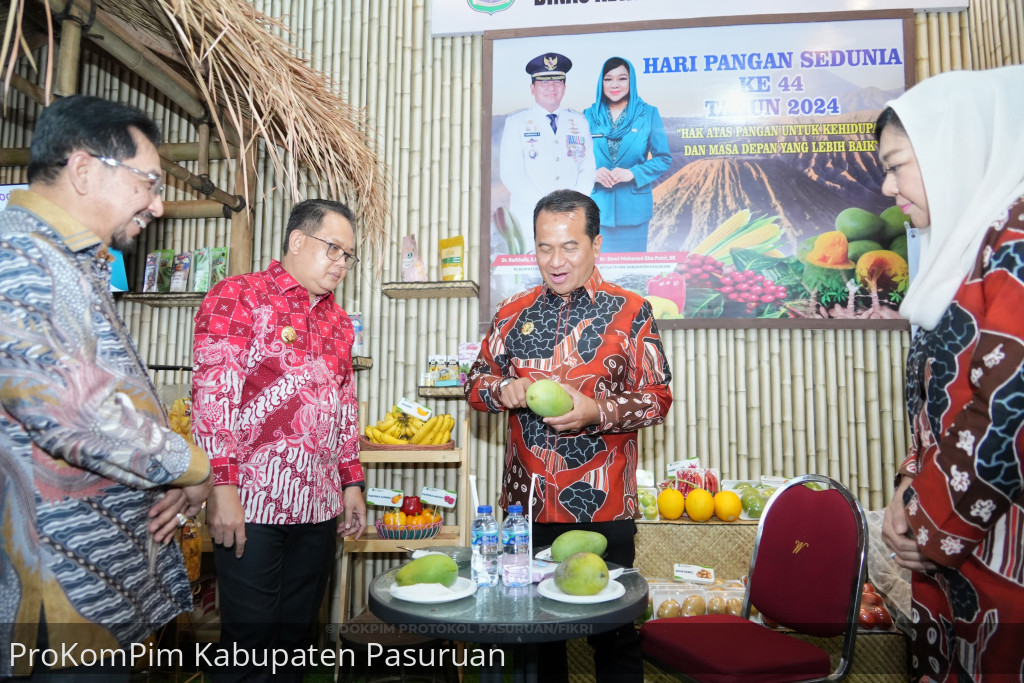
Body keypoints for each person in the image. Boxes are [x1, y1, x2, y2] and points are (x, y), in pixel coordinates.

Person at [0, 95, 212, 680]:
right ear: (85, 169)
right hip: (52, 591)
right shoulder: (21, 255)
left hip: (90, 585)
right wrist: (190, 464)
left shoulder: (69, 261)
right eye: (149, 182)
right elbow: (70, 410)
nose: (159, 204)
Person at [466, 189, 673, 682]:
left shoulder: (632, 311)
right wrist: (506, 389)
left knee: (615, 639)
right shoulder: (510, 312)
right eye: (543, 248)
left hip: (605, 506)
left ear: (597, 245)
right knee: (536, 644)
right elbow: (474, 386)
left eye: (570, 247)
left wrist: (595, 410)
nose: (555, 262)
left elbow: (658, 398)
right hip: (527, 508)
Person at [876, 65, 1024, 682]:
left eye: (897, 164)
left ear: (953, 148)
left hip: (1000, 556)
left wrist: (924, 517)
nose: (887, 188)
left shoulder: (1014, 242)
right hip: (956, 552)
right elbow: (939, 405)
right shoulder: (966, 245)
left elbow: (1009, 409)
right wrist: (910, 486)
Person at [191, 198, 367, 683]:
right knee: (249, 647)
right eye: (333, 249)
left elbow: (344, 404)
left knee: (295, 644)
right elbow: (213, 397)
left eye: (348, 256)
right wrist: (222, 489)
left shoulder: (339, 321)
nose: (341, 264)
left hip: (317, 506)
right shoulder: (239, 296)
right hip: (252, 506)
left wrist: (351, 481)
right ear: (296, 240)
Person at [499, 53, 596, 254]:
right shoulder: (516, 122)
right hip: (530, 223)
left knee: (572, 280)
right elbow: (511, 174)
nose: (551, 87)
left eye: (557, 82)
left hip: (572, 222)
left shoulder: (578, 122)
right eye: (544, 83)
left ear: (564, 88)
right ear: (532, 88)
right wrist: (547, 209)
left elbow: (587, 168)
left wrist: (572, 206)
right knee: (531, 283)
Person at [584, 56, 671, 253]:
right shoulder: (587, 116)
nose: (615, 84)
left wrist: (633, 173)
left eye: (622, 78)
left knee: (631, 276)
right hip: (597, 211)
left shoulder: (648, 114)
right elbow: (574, 161)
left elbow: (664, 158)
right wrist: (592, 173)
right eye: (608, 79)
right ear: (601, 83)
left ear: (631, 81)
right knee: (597, 275)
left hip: (634, 213)